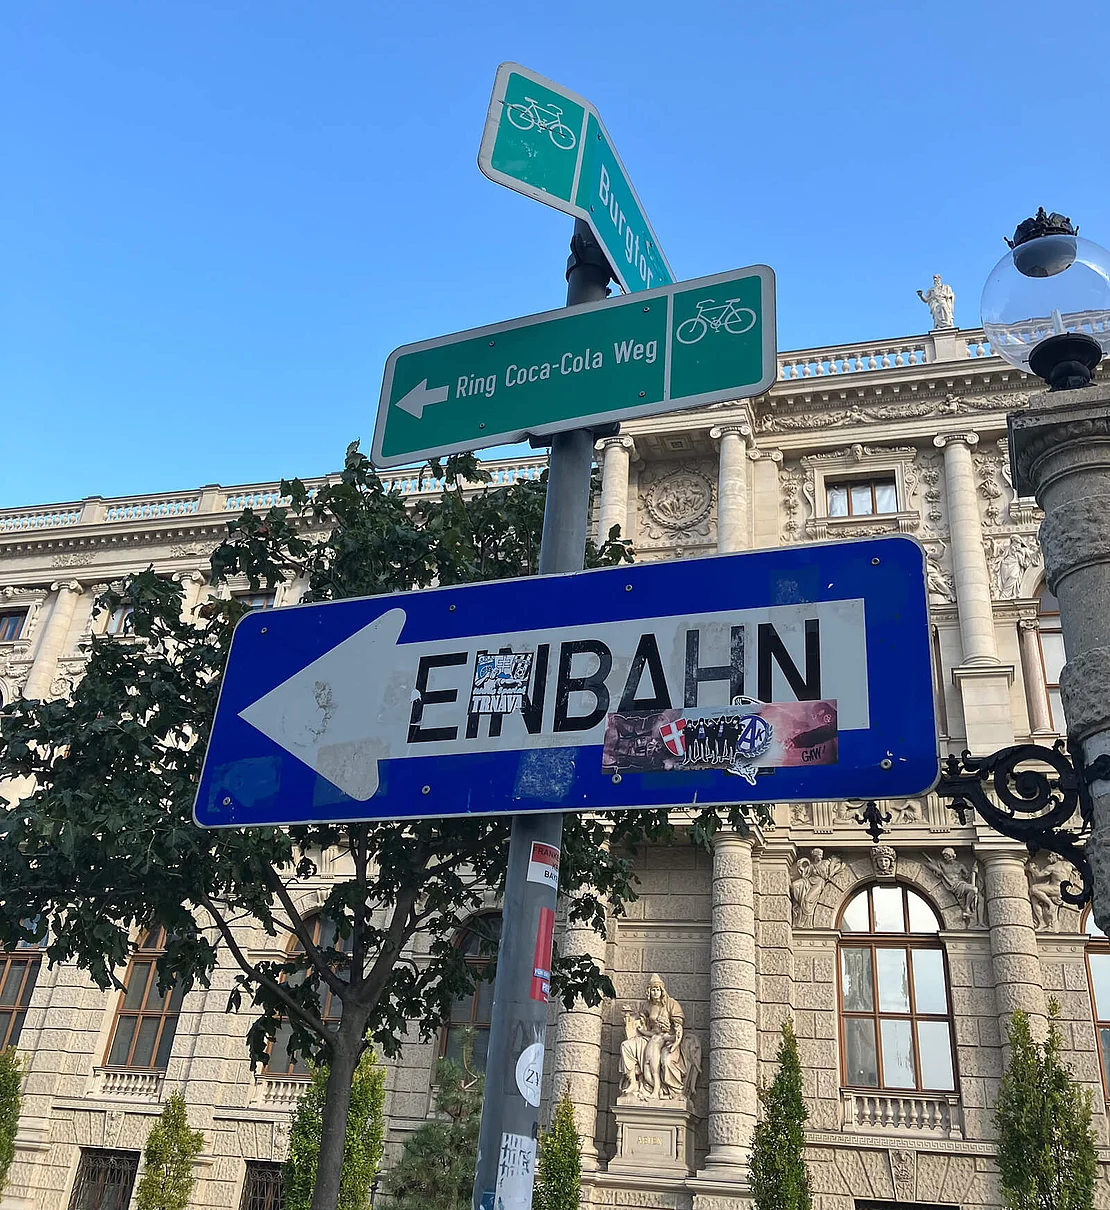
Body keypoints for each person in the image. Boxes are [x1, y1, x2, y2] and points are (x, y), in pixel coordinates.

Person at [620, 974, 686, 1099]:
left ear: (662, 991)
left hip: (666, 1039)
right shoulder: (647, 1006)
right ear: (649, 991)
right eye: (653, 990)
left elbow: (678, 1026)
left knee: (665, 1061)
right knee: (626, 1046)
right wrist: (628, 1018)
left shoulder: (671, 1004)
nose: (655, 992)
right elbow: (640, 1021)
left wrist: (675, 1041)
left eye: (658, 989)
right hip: (649, 1037)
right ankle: (633, 1082)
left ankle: (667, 1089)